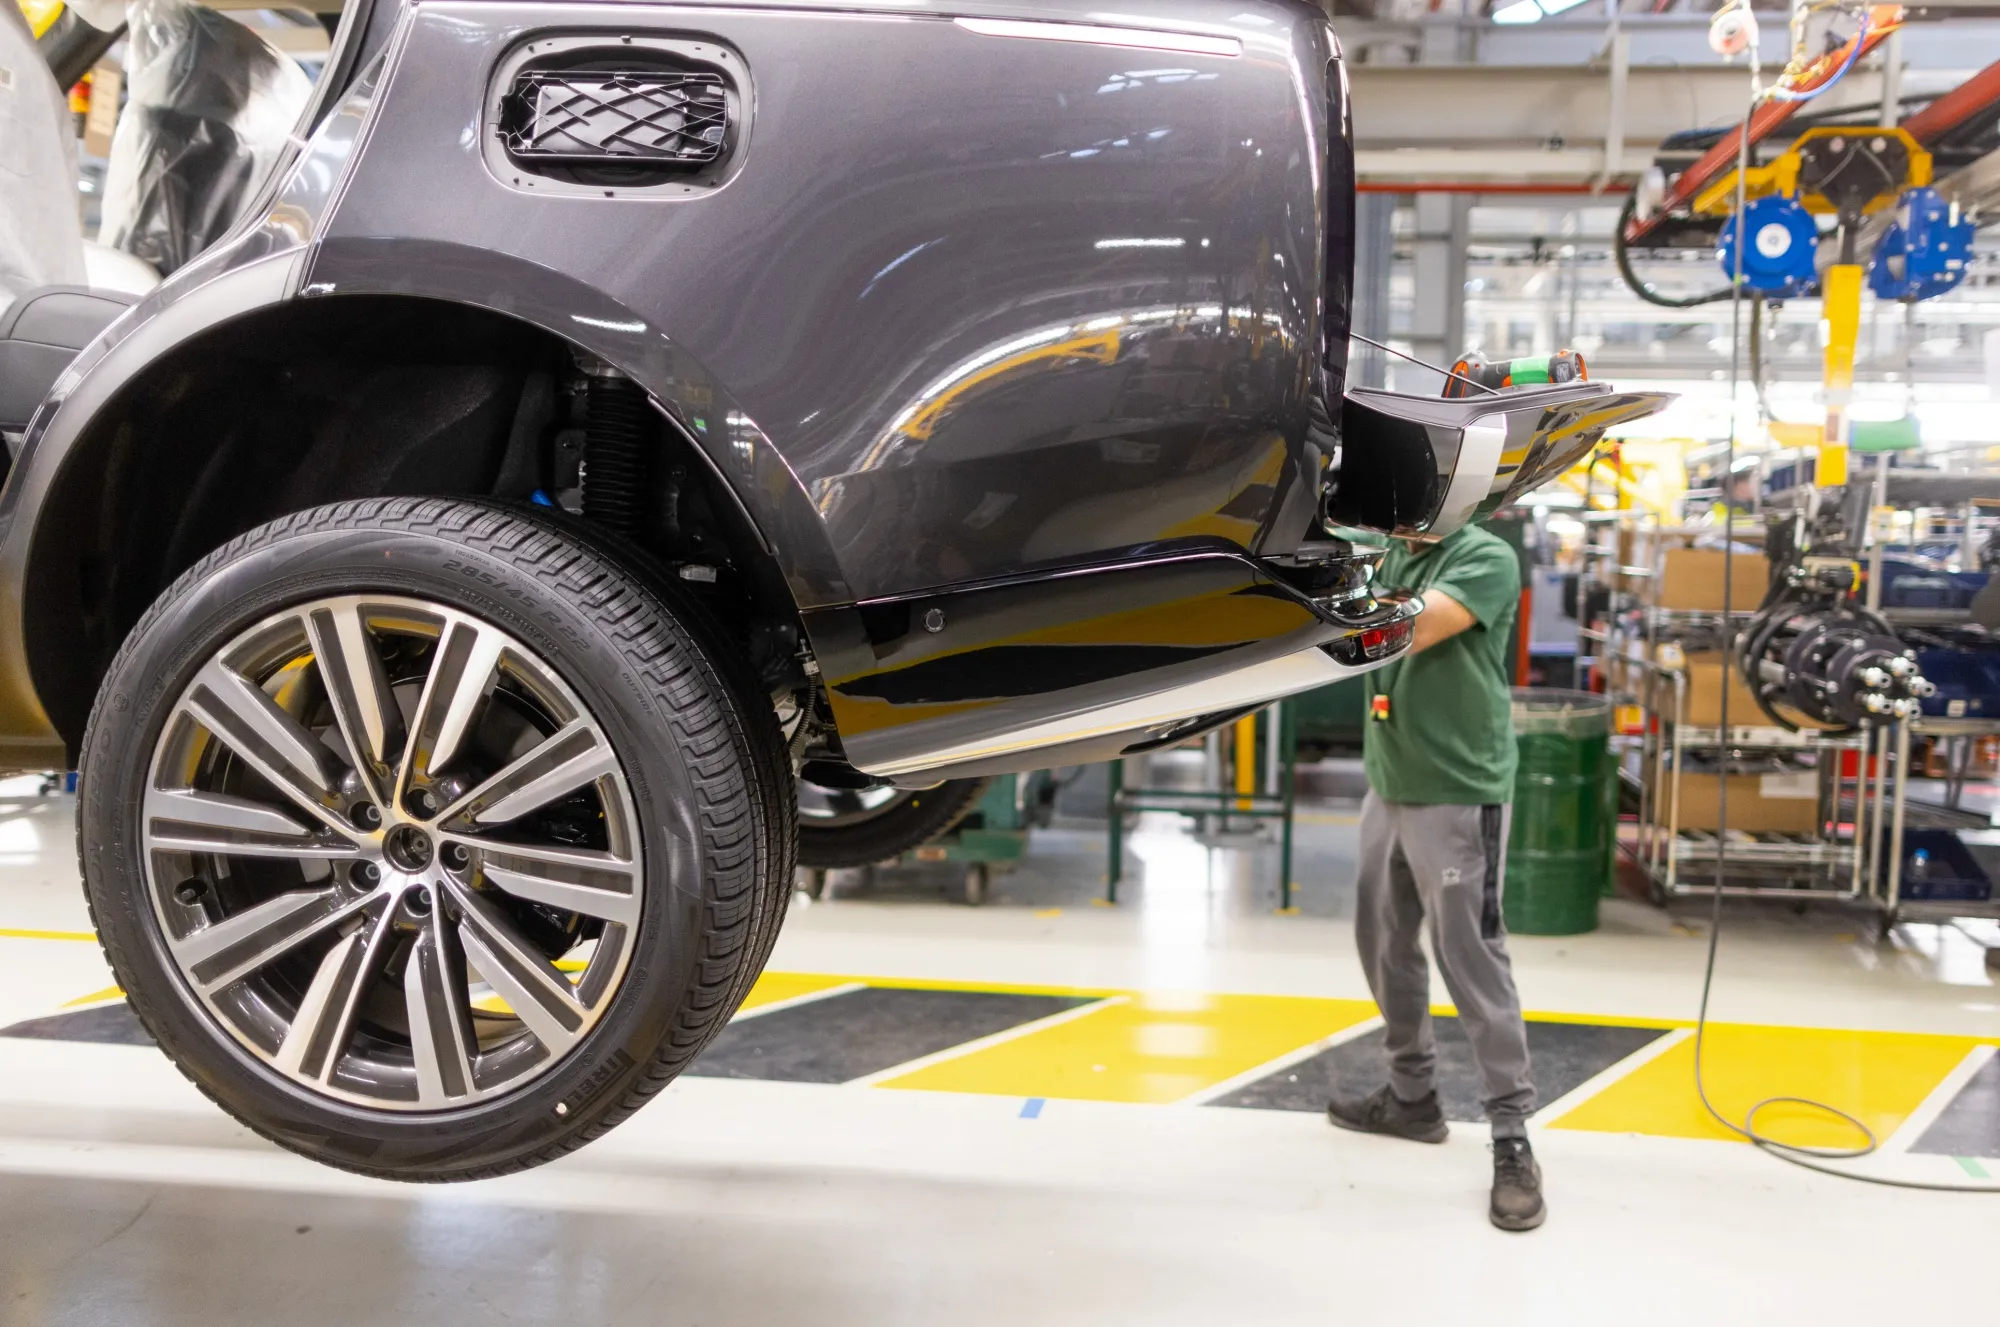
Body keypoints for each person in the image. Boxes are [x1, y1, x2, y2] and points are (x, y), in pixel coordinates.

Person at [1326, 521, 1545, 1232]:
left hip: (1456, 787)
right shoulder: (1391, 553)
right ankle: (1412, 1095)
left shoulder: (1484, 555)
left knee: (1470, 954)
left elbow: (1411, 629)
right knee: (1383, 940)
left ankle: (1512, 1135)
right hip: (1389, 781)